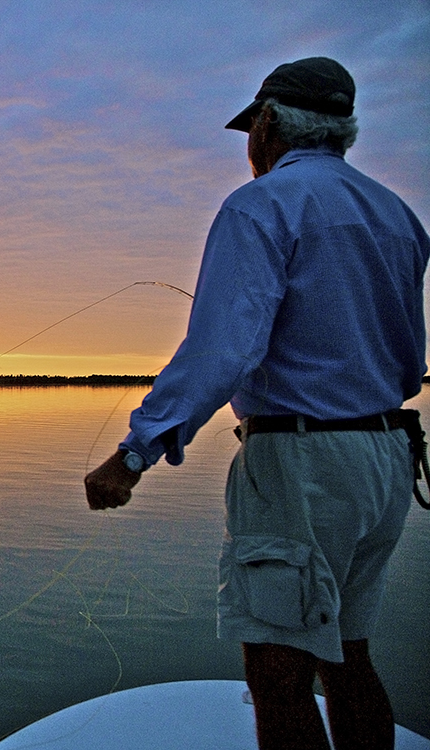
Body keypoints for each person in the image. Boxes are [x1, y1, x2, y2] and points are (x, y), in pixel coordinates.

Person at [84, 57, 429, 750]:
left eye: (251, 129)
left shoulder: (261, 204)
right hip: (388, 457)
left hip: (302, 466)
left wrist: (133, 452)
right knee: (347, 652)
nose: (249, 145)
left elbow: (221, 350)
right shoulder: (396, 215)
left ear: (266, 124)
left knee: (277, 669)